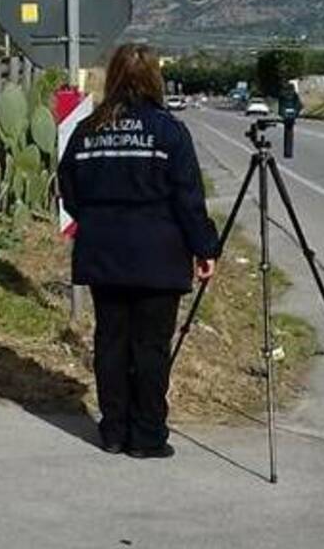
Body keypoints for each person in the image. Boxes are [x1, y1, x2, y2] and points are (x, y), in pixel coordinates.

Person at [58, 44, 218, 459]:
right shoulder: (168, 131)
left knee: (110, 344)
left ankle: (113, 431)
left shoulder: (86, 129)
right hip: (158, 256)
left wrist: (100, 220)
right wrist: (205, 248)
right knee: (150, 348)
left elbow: (69, 192)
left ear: (111, 77)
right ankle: (147, 436)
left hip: (103, 254)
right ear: (154, 80)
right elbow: (188, 198)